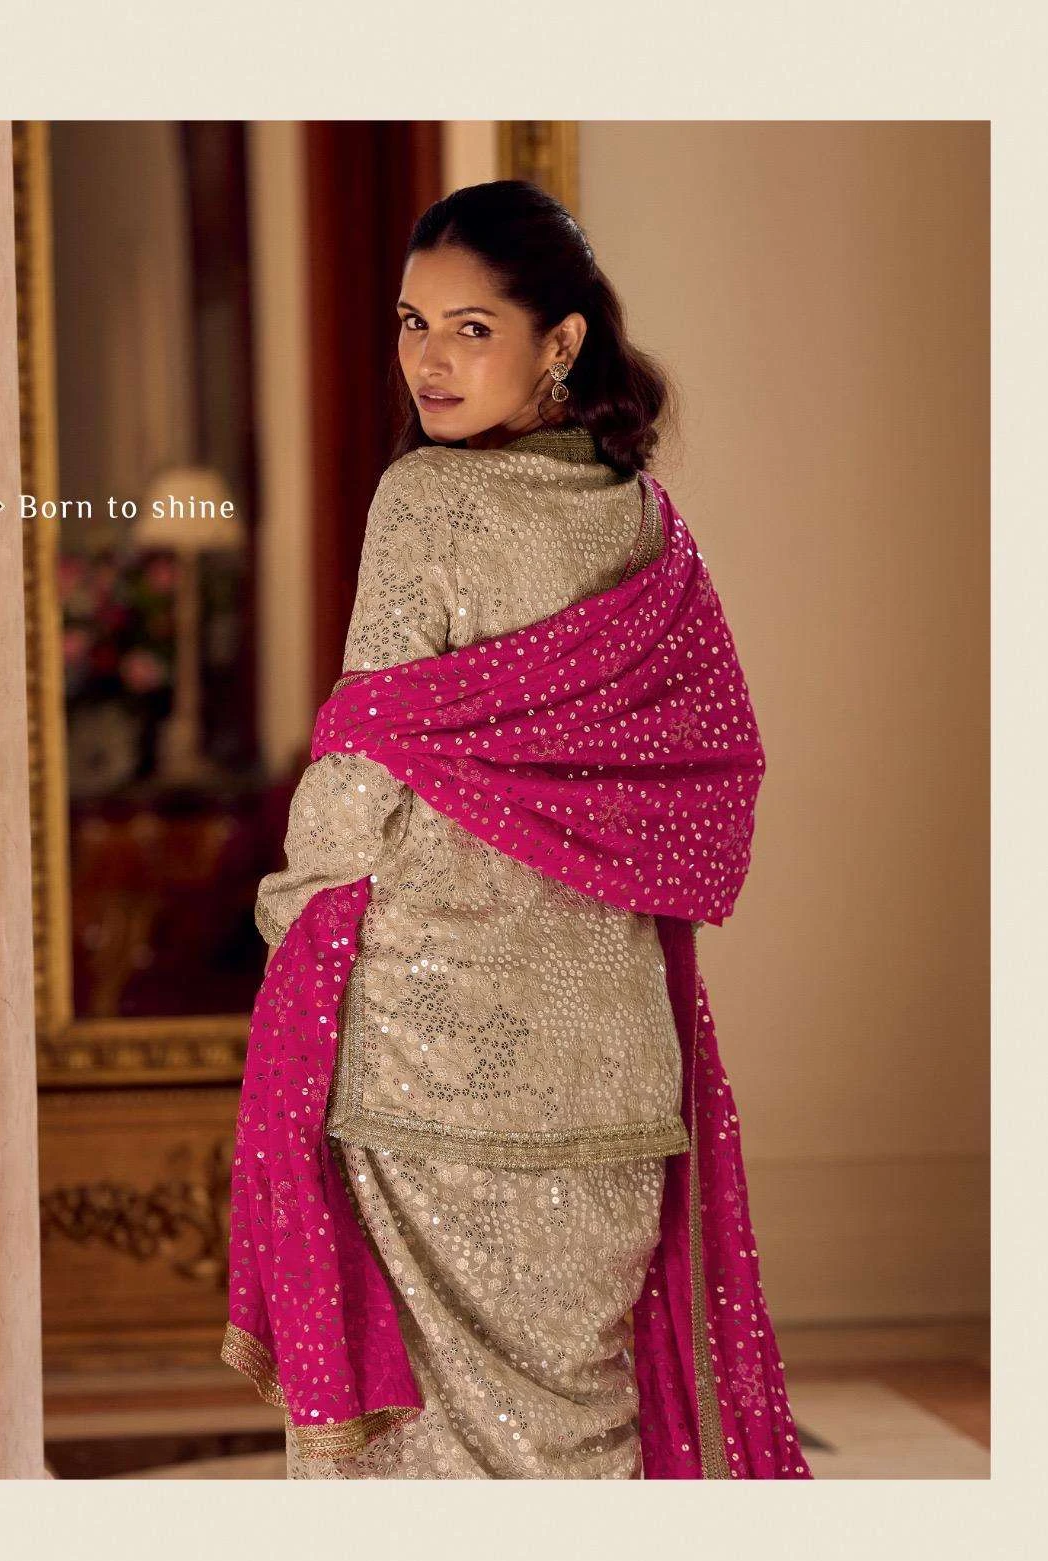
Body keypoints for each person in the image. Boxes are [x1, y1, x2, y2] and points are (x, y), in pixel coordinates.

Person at [222, 180, 810, 1480]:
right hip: (616, 1064)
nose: (427, 359)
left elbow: (359, 763)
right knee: (589, 1428)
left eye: (470, 328)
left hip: (426, 1052)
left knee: (424, 1460)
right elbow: (711, 779)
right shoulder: (649, 526)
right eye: (411, 322)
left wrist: (286, 921)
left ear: (562, 340)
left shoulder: (426, 500)